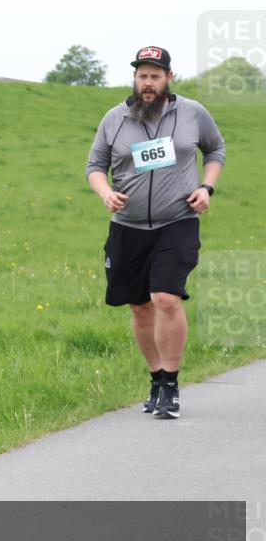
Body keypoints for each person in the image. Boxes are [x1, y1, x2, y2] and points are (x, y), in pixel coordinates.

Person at [86, 46, 225, 419]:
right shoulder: (115, 118)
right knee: (140, 307)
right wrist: (105, 192)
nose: (148, 83)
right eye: (142, 75)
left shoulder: (192, 113)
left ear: (169, 78)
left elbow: (215, 151)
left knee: (165, 298)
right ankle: (155, 379)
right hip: (127, 227)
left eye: (155, 75)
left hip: (177, 221)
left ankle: (172, 383)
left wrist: (206, 188)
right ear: (135, 78)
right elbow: (95, 165)